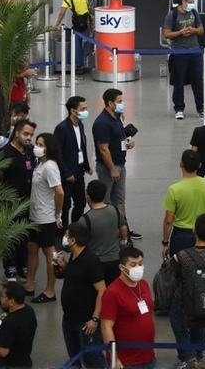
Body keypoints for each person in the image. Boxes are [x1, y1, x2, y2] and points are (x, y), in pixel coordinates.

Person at [169, 214, 205, 367]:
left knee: (177, 319)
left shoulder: (182, 256)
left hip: (184, 300)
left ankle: (187, 357)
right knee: (201, 321)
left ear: (194, 230)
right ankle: (199, 354)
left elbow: (171, 270)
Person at [54, 223, 106, 369]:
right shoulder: (74, 257)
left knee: (93, 359)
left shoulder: (90, 260)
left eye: (66, 235)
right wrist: (64, 265)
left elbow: (102, 291)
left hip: (85, 322)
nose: (64, 238)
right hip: (69, 318)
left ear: (73, 240)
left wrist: (94, 319)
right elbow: (77, 275)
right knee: (74, 358)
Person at [92, 89, 141, 239]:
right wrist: (113, 169)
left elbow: (115, 140)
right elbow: (103, 149)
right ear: (110, 103)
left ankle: (122, 229)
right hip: (109, 168)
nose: (122, 104)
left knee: (119, 200)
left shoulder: (116, 117)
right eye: (119, 102)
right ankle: (104, 233)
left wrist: (126, 144)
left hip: (120, 164)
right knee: (104, 201)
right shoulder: (102, 122)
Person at [101, 247, 157, 369]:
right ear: (122, 267)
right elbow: (106, 326)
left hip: (148, 356)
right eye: (133, 264)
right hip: (127, 361)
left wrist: (153, 345)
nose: (138, 268)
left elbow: (149, 315)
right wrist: (114, 358)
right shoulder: (112, 292)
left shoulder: (144, 284)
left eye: (140, 263)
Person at [24, 133, 63, 304]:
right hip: (34, 215)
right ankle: (29, 284)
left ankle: (49, 290)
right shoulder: (39, 164)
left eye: (41, 144)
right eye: (37, 143)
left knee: (49, 252)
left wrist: (57, 214)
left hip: (45, 217)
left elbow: (59, 192)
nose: (37, 147)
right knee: (32, 247)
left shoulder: (50, 167)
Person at [162, 150, 205, 258]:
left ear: (181, 164)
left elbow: (168, 220)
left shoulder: (174, 189)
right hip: (202, 234)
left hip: (181, 236)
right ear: (199, 165)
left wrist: (165, 242)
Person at [0, 120, 36, 281]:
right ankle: (10, 267)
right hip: (10, 202)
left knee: (23, 235)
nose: (29, 138)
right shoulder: (5, 153)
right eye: (26, 134)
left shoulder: (30, 151)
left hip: (27, 200)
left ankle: (23, 266)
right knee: (10, 236)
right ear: (17, 133)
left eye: (31, 135)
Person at [163, 0, 205, 120]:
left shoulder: (194, 13)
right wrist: (180, 32)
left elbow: (201, 30)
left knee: (197, 81)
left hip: (194, 52)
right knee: (179, 81)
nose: (192, 4)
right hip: (179, 53)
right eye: (190, 2)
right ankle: (179, 108)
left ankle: (200, 108)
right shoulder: (172, 15)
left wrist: (193, 30)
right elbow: (166, 34)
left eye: (193, 2)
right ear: (183, 2)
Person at [78, 180, 128, 286]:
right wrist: (123, 240)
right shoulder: (115, 210)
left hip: (95, 262)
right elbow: (123, 229)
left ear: (88, 196)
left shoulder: (85, 219)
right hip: (115, 260)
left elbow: (79, 244)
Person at [55, 96, 92, 230]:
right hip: (67, 174)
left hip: (79, 171)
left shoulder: (80, 125)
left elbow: (81, 146)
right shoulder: (62, 128)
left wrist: (86, 165)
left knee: (81, 202)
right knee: (65, 205)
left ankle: (75, 228)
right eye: (83, 109)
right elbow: (57, 153)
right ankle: (63, 232)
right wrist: (66, 173)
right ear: (73, 111)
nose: (85, 111)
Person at [0, 282, 37, 369]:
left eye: (2, 297)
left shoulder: (9, 323)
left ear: (11, 301)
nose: (0, 299)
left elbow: (3, 352)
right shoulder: (29, 311)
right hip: (25, 362)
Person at [53, 0, 94, 74]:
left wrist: (56, 25)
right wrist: (92, 23)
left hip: (77, 24)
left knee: (76, 45)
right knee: (84, 45)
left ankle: (78, 66)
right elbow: (87, 9)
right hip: (86, 22)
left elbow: (62, 13)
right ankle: (83, 64)